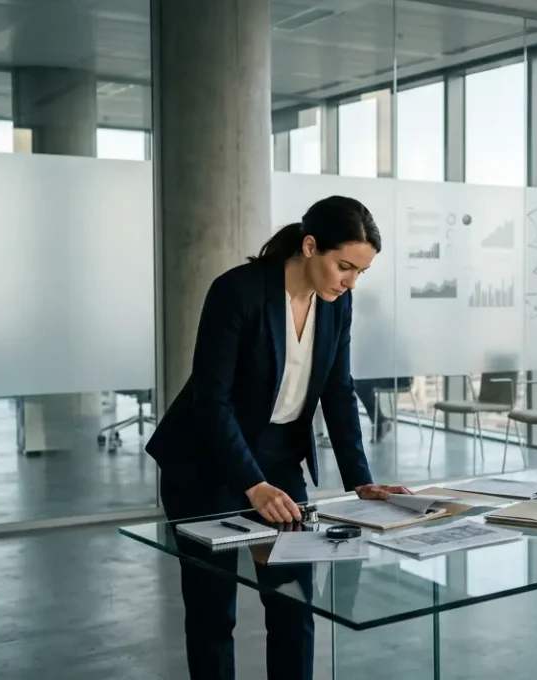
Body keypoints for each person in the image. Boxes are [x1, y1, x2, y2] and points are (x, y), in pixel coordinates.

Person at [146, 195, 410, 680]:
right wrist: (252, 484)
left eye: (360, 273)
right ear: (310, 246)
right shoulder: (237, 292)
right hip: (206, 463)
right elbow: (212, 402)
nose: (350, 282)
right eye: (344, 266)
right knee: (212, 614)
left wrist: (360, 482)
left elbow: (338, 390)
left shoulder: (336, 304)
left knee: (293, 605)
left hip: (280, 462)